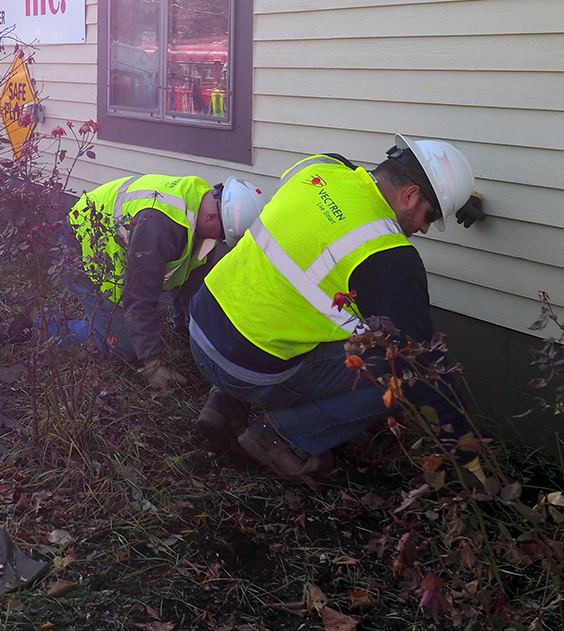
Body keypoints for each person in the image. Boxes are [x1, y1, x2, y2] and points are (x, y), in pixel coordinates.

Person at [188, 134, 487, 482]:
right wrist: (467, 455)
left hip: (202, 329)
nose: (423, 227)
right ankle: (281, 438)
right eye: (429, 216)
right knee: (394, 372)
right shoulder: (388, 256)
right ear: (409, 195)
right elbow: (421, 365)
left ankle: (224, 404)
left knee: (273, 303)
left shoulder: (322, 167)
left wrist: (456, 201)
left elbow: (357, 186)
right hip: (248, 368)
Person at [56, 174, 266, 393]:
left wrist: (187, 332)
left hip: (115, 241)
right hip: (79, 247)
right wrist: (152, 364)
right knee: (120, 347)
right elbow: (139, 296)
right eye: (223, 237)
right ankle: (41, 323)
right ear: (212, 218)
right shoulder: (159, 226)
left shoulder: (200, 206)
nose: (221, 242)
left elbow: (192, 280)